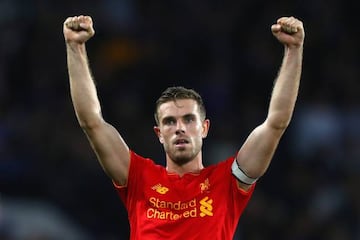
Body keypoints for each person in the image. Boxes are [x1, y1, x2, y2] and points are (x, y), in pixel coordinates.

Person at [63, 15, 305, 240]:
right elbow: (91, 122)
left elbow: (276, 122)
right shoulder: (138, 177)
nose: (180, 128)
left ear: (204, 128)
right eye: (170, 121)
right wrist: (75, 47)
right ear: (159, 134)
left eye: (189, 119)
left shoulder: (227, 182)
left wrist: (293, 50)